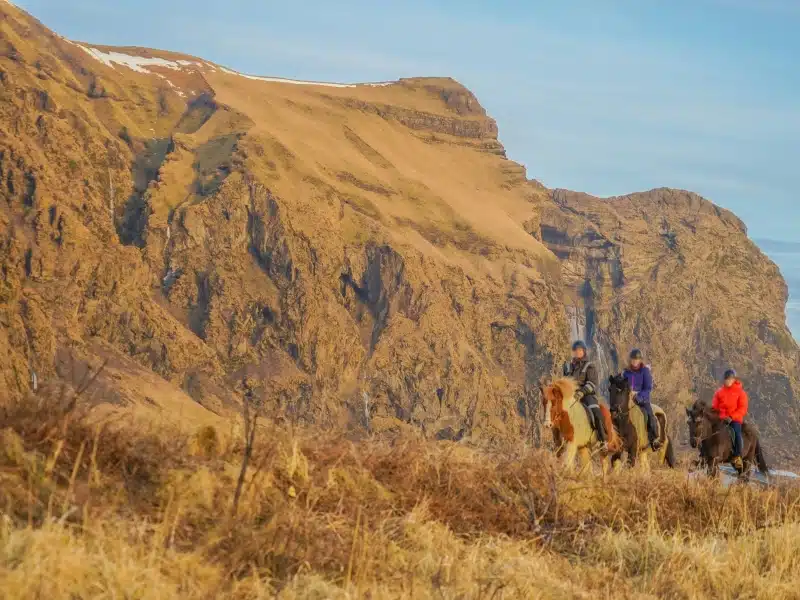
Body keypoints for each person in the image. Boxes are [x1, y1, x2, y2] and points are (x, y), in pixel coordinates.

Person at [563, 340, 607, 448]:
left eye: (580, 351)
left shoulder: (589, 366)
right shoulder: (569, 367)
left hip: (587, 395)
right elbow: (566, 382)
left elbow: (592, 383)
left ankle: (602, 441)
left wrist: (582, 392)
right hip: (572, 396)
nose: (577, 353)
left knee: (596, 412)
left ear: (584, 352)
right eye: (575, 351)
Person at [623, 349, 661, 450]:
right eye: (633, 359)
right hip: (628, 399)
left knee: (649, 415)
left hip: (642, 399)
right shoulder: (626, 372)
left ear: (640, 360)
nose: (635, 361)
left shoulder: (645, 371)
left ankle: (654, 439)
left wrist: (638, 397)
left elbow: (648, 388)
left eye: (637, 359)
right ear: (630, 360)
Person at [712, 369, 748, 471]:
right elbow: (715, 406)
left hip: (734, 419)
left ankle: (737, 456)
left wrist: (732, 417)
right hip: (721, 418)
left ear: (733, 380)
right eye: (726, 379)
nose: (727, 381)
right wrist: (716, 415)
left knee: (736, 433)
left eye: (729, 379)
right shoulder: (719, 392)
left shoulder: (741, 393)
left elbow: (742, 408)